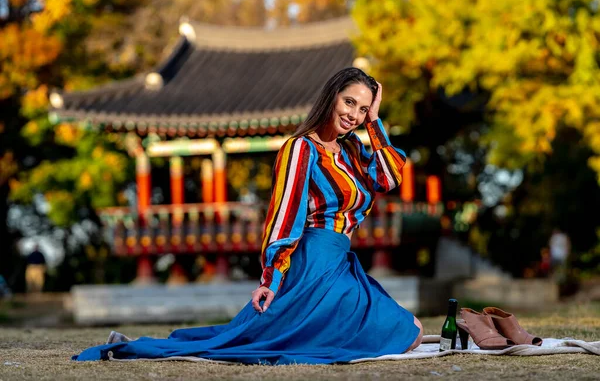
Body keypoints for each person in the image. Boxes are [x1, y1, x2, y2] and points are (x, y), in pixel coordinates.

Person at [73, 67, 423, 364]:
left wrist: (375, 121)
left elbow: (389, 177)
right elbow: (285, 214)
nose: (354, 115)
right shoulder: (301, 148)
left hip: (342, 262)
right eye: (350, 102)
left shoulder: (351, 150)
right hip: (314, 262)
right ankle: (132, 348)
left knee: (408, 331)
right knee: (408, 333)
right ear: (332, 96)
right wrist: (271, 277)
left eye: (362, 109)